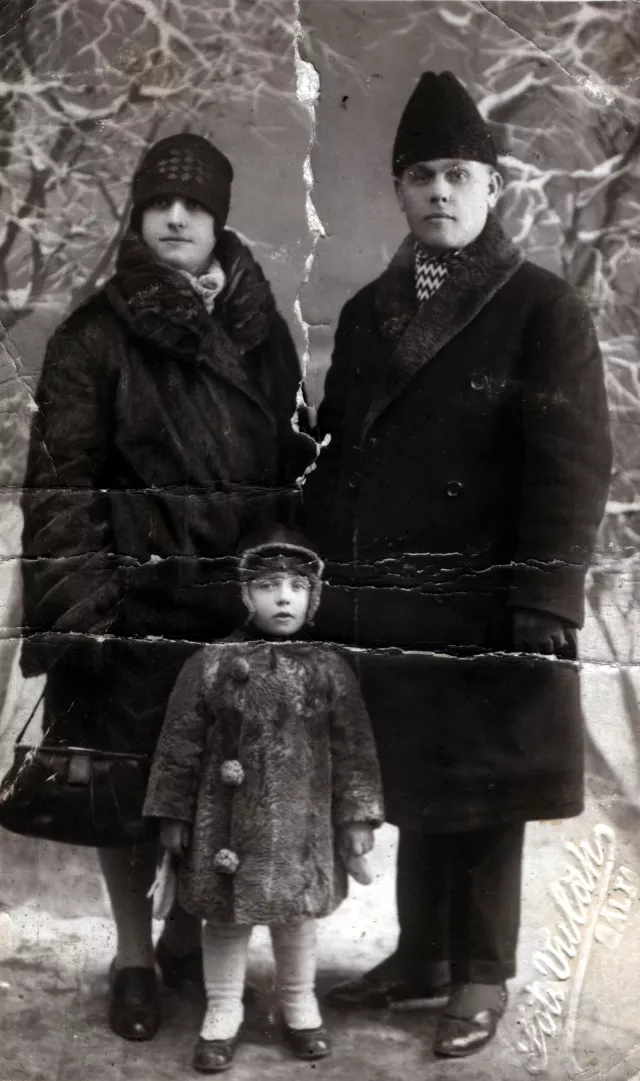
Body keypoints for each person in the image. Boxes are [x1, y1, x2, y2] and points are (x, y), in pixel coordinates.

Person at [303, 71, 612, 1057]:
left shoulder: (541, 308)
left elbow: (571, 464)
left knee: (487, 793)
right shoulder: (365, 314)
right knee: (415, 780)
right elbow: (344, 456)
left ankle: (480, 975)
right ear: (400, 189)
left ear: (492, 188)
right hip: (392, 598)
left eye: (460, 175)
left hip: (494, 600)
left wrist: (545, 594)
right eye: (422, 175)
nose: (441, 192)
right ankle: (422, 958)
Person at [20, 133, 315, 1041]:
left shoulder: (264, 338)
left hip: (230, 610)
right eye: (159, 204)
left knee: (217, 787)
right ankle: (134, 954)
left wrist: (277, 585)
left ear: (219, 219)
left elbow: (288, 469)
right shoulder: (94, 335)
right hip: (129, 609)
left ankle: (191, 935)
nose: (176, 217)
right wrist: (81, 611)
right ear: (139, 218)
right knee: (125, 796)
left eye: (193, 205)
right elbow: (61, 482)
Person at [143, 526, 384, 1073]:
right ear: (246, 596)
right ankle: (223, 1008)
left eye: (297, 587)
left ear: (312, 598)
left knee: (297, 916)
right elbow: (179, 745)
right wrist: (172, 815)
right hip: (226, 827)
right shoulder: (208, 665)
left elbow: (355, 749)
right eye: (269, 585)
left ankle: (299, 1003)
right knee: (226, 919)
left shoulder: (328, 669)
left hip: (302, 830)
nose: (283, 597)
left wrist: (355, 816)